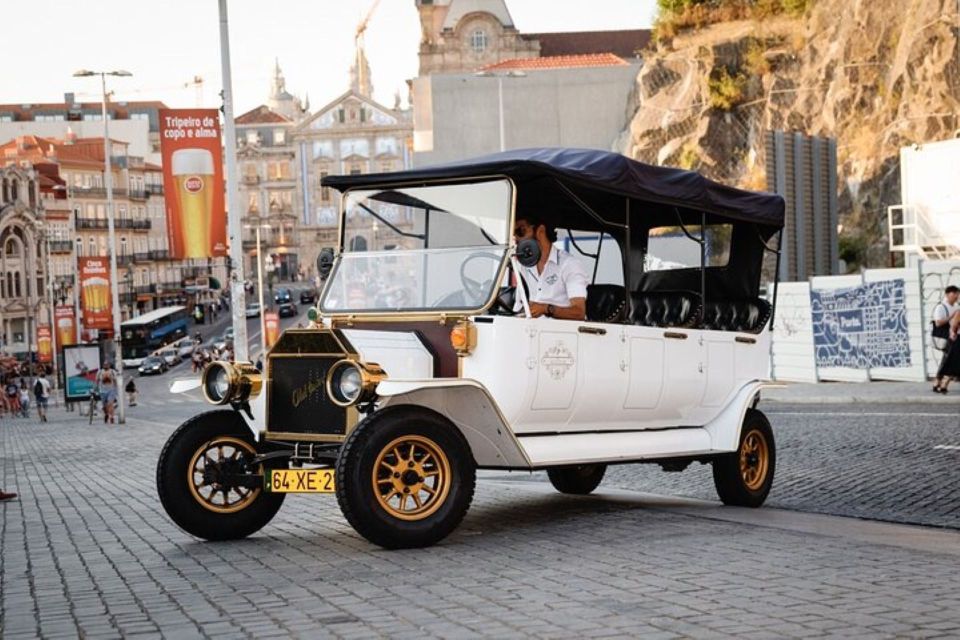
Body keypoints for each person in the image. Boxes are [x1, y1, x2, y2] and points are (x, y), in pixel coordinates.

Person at [512, 214, 589, 320]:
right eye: (513, 234)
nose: (516, 238)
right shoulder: (522, 266)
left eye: (521, 231)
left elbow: (579, 313)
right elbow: (518, 310)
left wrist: (546, 309)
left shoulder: (569, 264)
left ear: (540, 231)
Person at [932, 285, 960, 394]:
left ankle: (939, 383)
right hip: (946, 336)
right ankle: (939, 382)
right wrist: (952, 316)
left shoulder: (955, 307)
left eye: (958, 294)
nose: (957, 296)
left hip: (952, 337)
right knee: (947, 361)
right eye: (955, 294)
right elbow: (938, 323)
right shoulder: (941, 307)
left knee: (947, 361)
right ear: (948, 294)